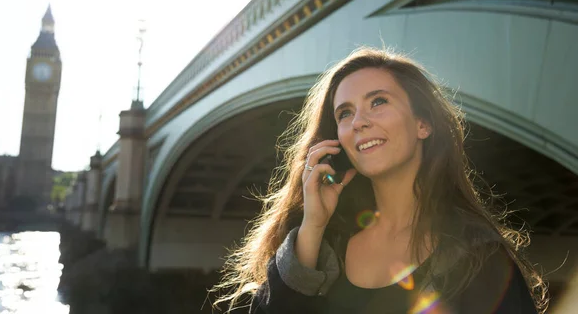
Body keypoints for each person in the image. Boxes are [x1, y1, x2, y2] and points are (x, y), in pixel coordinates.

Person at [212, 48, 548, 313]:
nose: (359, 121)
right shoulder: (326, 243)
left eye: (378, 102)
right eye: (345, 113)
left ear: (423, 125)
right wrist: (313, 226)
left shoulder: (479, 254)